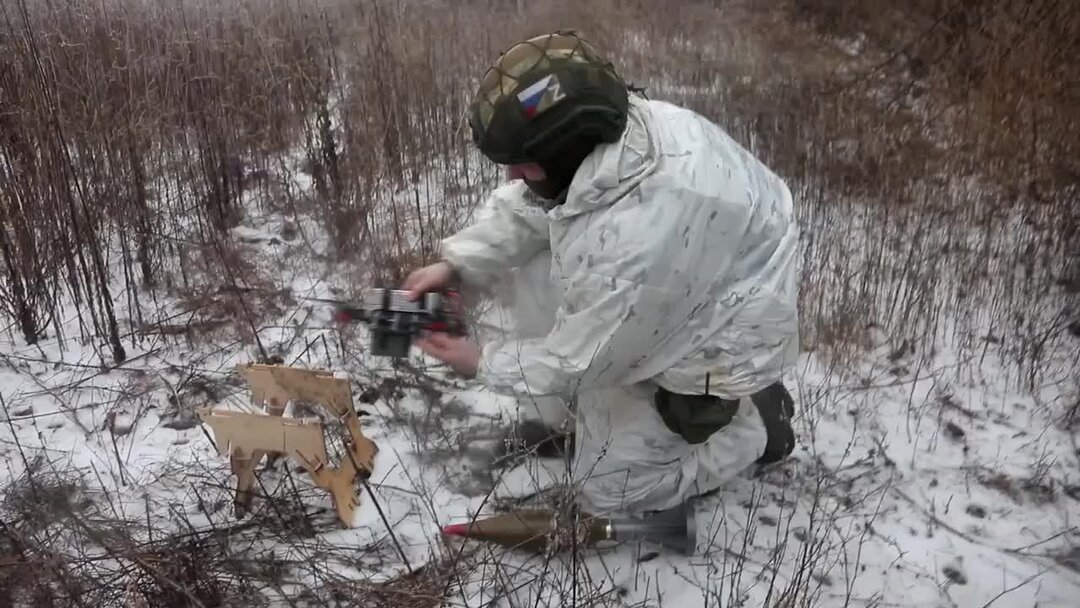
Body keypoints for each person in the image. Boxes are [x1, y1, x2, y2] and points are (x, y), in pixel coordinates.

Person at [404, 31, 800, 517]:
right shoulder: (614, 140)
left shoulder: (633, 242)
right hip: (687, 276)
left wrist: (482, 362)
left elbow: (581, 359)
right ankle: (574, 419)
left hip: (727, 331)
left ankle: (750, 427)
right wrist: (457, 264)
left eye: (524, 166)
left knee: (609, 492)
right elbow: (536, 206)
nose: (512, 177)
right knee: (533, 267)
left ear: (564, 151)